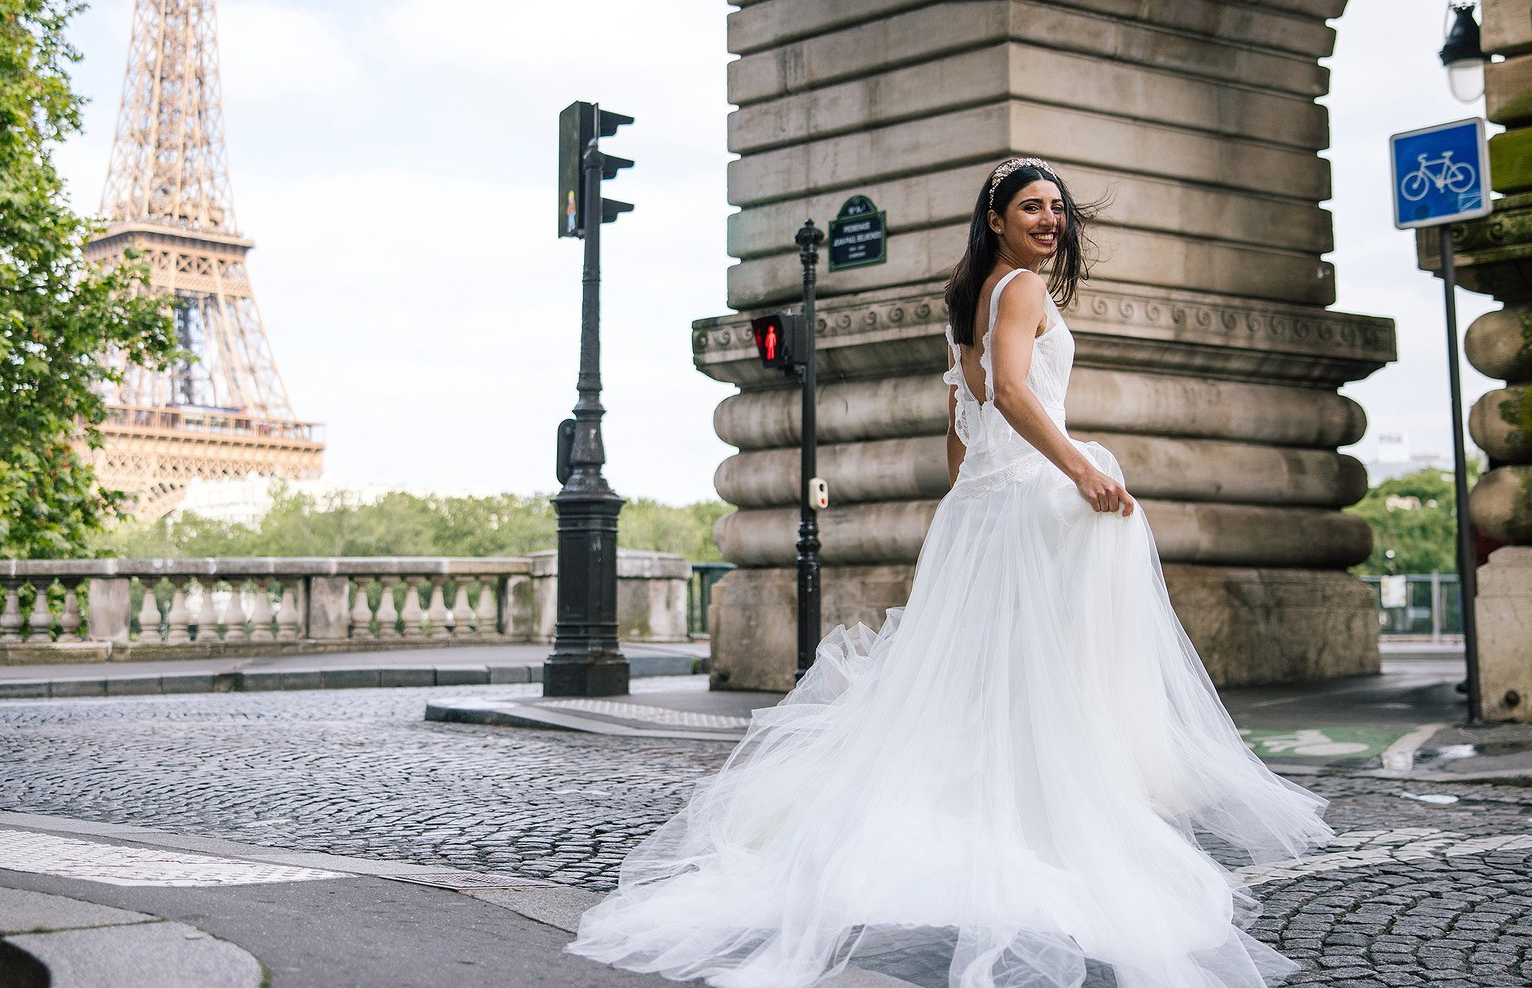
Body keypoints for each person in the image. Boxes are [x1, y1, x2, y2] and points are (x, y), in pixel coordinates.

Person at [569, 158, 1332, 988]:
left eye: (1058, 209)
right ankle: (1042, 831)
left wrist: (969, 501)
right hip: (1022, 503)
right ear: (996, 218)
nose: (1051, 221)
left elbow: (959, 424)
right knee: (1038, 680)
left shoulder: (971, 300)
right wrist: (1078, 470)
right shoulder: (1022, 293)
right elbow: (1007, 391)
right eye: (1032, 208)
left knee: (977, 682)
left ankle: (988, 822)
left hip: (981, 510)